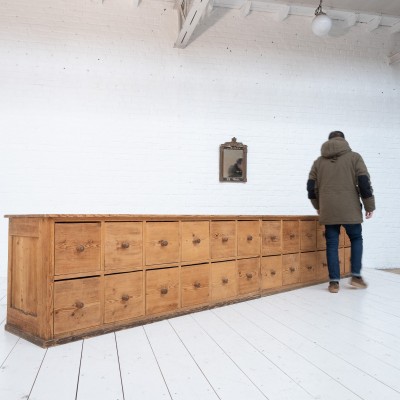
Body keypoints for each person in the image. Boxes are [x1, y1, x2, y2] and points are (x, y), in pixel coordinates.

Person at [307, 131, 375, 293]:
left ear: (328, 141)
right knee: (356, 238)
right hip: (350, 208)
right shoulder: (354, 157)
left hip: (328, 210)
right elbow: (364, 183)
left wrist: (318, 206)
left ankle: (334, 283)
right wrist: (369, 206)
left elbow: (311, 188)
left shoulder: (318, 162)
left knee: (332, 243)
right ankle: (356, 276)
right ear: (344, 140)